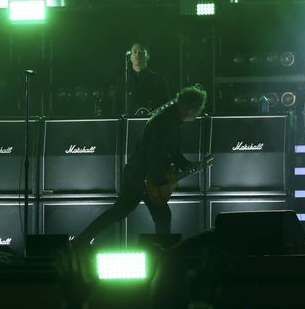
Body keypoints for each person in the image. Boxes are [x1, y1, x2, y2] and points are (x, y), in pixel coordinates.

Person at [72, 85, 211, 246]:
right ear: (191, 110)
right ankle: (164, 253)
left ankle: (81, 241)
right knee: (156, 216)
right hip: (141, 177)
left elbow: (173, 154)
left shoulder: (171, 120)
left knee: (123, 212)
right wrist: (162, 183)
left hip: (140, 175)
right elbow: (154, 155)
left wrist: (192, 165)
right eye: (199, 109)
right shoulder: (166, 123)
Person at [126, 41, 171, 116]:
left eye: (141, 51)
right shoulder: (123, 80)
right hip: (128, 125)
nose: (137, 54)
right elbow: (116, 108)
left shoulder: (158, 79)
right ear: (130, 57)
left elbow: (166, 107)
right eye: (134, 51)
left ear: (148, 56)